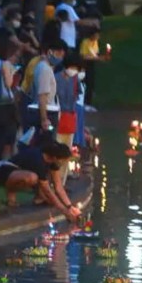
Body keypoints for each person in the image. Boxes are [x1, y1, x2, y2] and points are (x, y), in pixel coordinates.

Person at [0, 142, 79, 221]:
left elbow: (59, 187)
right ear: (55, 157)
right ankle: (11, 193)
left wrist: (70, 207)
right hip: (4, 172)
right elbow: (47, 190)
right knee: (32, 178)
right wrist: (64, 211)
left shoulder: (53, 162)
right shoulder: (38, 160)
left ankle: (22, 198)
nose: (63, 164)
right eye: (63, 161)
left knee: (50, 200)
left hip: (20, 173)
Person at [24, 39, 65, 143]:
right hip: (46, 112)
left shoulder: (44, 67)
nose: (60, 58)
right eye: (59, 54)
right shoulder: (45, 69)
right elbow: (42, 95)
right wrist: (44, 119)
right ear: (50, 52)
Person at [55, 54, 83, 185]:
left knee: (66, 153)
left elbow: (76, 97)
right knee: (56, 152)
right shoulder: (56, 78)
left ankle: (62, 182)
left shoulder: (75, 79)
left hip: (70, 118)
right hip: (58, 118)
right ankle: (53, 181)